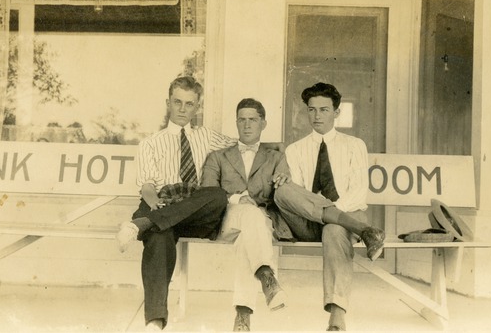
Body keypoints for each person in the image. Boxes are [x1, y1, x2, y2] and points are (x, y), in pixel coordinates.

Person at [115, 76, 236, 331]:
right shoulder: (151, 143)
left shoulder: (209, 137)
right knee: (160, 234)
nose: (183, 109)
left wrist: (278, 154)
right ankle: (155, 322)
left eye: (189, 104)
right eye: (178, 102)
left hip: (195, 211)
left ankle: (141, 225)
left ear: (197, 106)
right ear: (168, 102)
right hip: (160, 203)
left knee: (216, 195)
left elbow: (245, 150)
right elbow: (148, 187)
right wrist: (156, 206)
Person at [273, 82, 385, 331]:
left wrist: (335, 214)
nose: (317, 116)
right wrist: (325, 212)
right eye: (312, 110)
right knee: (282, 191)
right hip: (310, 222)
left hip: (346, 216)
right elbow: (299, 196)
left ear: (337, 112)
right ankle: (366, 231)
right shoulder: (295, 149)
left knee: (334, 229)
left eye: (324, 110)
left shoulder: (355, 145)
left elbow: (357, 191)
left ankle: (337, 314)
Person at [200, 98, 293, 332]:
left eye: (253, 119)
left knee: (248, 236)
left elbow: (284, 190)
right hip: (228, 217)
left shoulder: (276, 158)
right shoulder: (218, 157)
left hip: (262, 222)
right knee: (249, 217)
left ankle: (243, 315)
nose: (247, 125)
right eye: (242, 120)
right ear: (236, 123)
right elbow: (208, 192)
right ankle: (266, 275)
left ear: (263, 123)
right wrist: (235, 198)